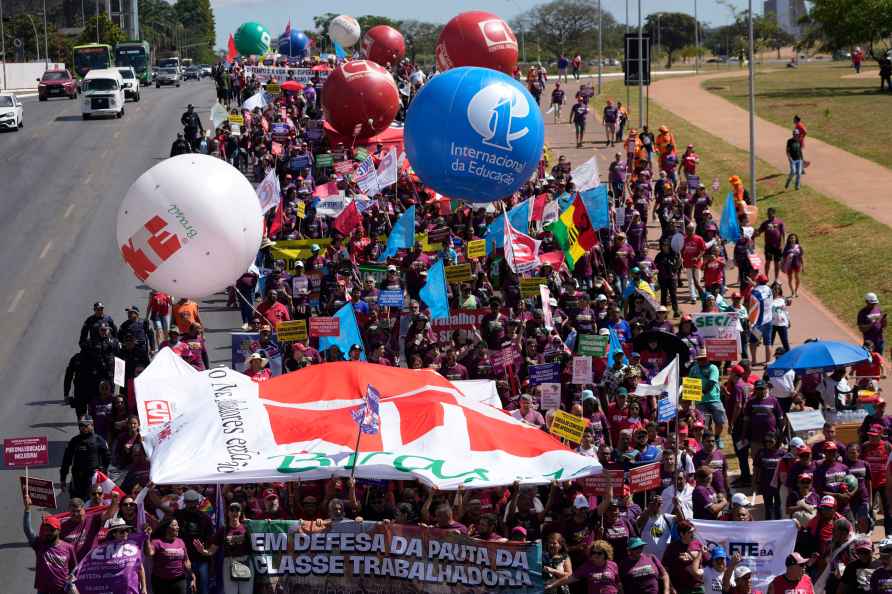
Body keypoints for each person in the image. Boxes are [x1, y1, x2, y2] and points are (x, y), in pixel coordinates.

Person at [23, 496, 77, 594]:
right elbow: (27, 530)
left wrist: (71, 584)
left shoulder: (68, 548)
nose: (48, 532)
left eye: (52, 530)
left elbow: (73, 569)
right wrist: (27, 509)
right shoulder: (39, 544)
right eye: (46, 529)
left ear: (59, 530)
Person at [60, 415, 110, 499]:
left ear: (92, 425)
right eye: (81, 425)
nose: (83, 428)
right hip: (78, 478)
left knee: (94, 502)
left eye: (86, 425)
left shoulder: (99, 440)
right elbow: (66, 460)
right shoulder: (74, 441)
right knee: (77, 501)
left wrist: (103, 473)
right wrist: (63, 479)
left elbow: (107, 458)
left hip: (93, 478)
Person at [547, 540, 621, 593]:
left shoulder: (613, 564)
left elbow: (617, 583)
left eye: (599, 553)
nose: (595, 555)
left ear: (606, 554)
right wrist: (552, 585)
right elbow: (570, 578)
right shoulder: (587, 566)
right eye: (593, 552)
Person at [145, 518, 196, 594]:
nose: (178, 527)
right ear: (166, 528)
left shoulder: (181, 541)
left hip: (180, 580)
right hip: (161, 582)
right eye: (175, 525)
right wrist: (147, 537)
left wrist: (192, 576)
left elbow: (186, 560)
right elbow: (149, 553)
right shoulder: (157, 542)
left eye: (177, 525)